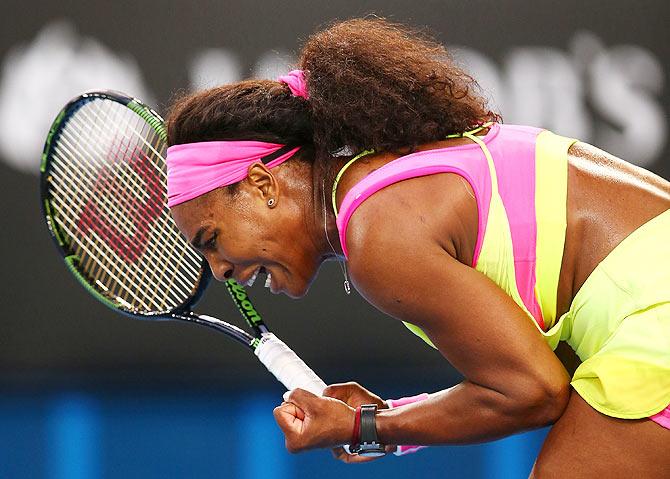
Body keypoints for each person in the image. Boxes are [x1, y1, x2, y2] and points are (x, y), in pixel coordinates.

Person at [165, 18, 670, 478]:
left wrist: (366, 428)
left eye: (211, 239)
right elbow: (539, 380)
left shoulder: (377, 235)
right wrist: (373, 421)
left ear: (261, 185)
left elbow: (533, 393)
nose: (219, 269)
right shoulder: (391, 180)